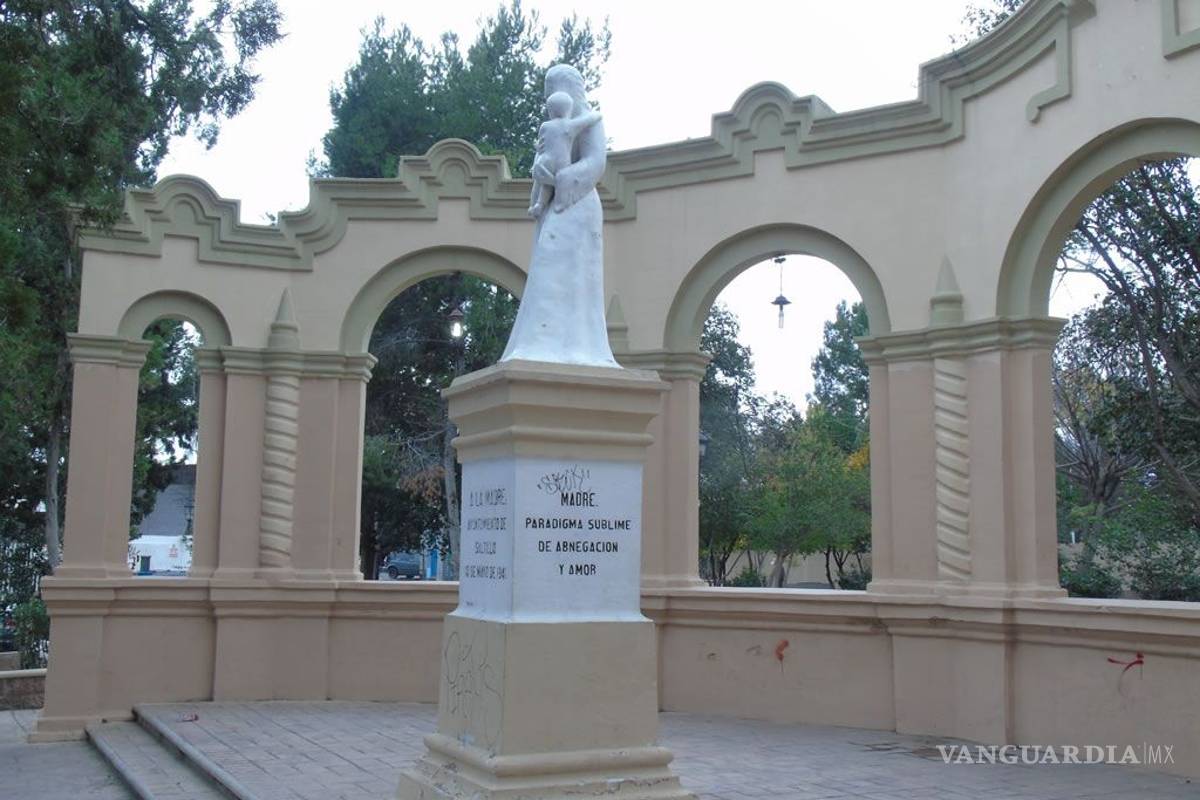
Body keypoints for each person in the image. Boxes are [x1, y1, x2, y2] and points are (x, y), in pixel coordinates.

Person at [501, 64, 618, 367]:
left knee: (577, 275)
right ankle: (539, 342)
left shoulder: (587, 121)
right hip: (555, 204)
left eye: (554, 89)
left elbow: (595, 163)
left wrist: (558, 179)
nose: (550, 97)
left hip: (577, 205)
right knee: (546, 269)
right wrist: (539, 168)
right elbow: (543, 154)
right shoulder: (552, 126)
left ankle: (580, 346)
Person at [528, 91, 602, 219]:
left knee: (543, 183)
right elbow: (587, 121)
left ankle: (537, 204)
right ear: (568, 110)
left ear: (551, 112)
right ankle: (545, 202)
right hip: (562, 163)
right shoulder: (569, 125)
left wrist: (537, 148)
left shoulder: (545, 126)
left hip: (546, 160)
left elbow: (541, 143)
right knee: (552, 183)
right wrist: (597, 115)